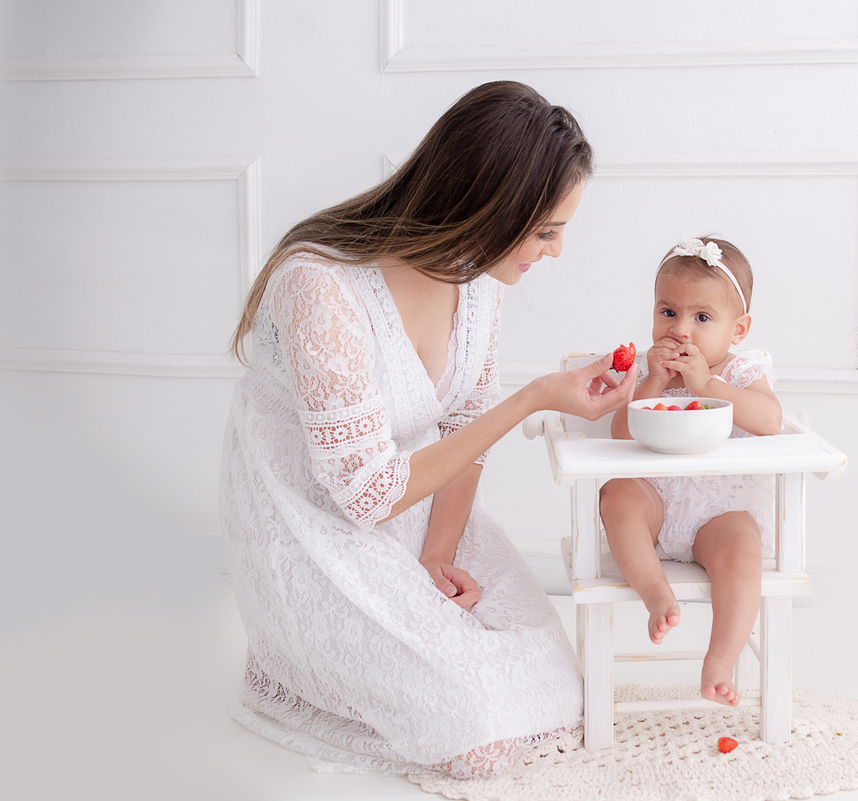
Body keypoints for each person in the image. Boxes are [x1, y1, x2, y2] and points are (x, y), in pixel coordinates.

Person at [220, 81, 635, 779]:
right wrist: (534, 397)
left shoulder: (476, 279)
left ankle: (387, 651)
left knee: (565, 695)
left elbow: (465, 416)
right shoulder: (319, 286)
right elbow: (366, 496)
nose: (556, 252)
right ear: (490, 206)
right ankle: (292, 664)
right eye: (546, 231)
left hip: (419, 505)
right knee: (475, 737)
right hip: (313, 524)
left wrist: (435, 555)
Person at [602, 236, 783, 708]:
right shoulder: (650, 371)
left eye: (702, 317)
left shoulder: (742, 371)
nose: (681, 329)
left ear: (738, 329)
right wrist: (654, 382)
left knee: (743, 550)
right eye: (668, 312)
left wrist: (708, 384)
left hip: (719, 509)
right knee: (617, 495)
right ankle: (655, 591)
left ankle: (720, 660)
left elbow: (769, 421)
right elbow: (621, 438)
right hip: (656, 499)